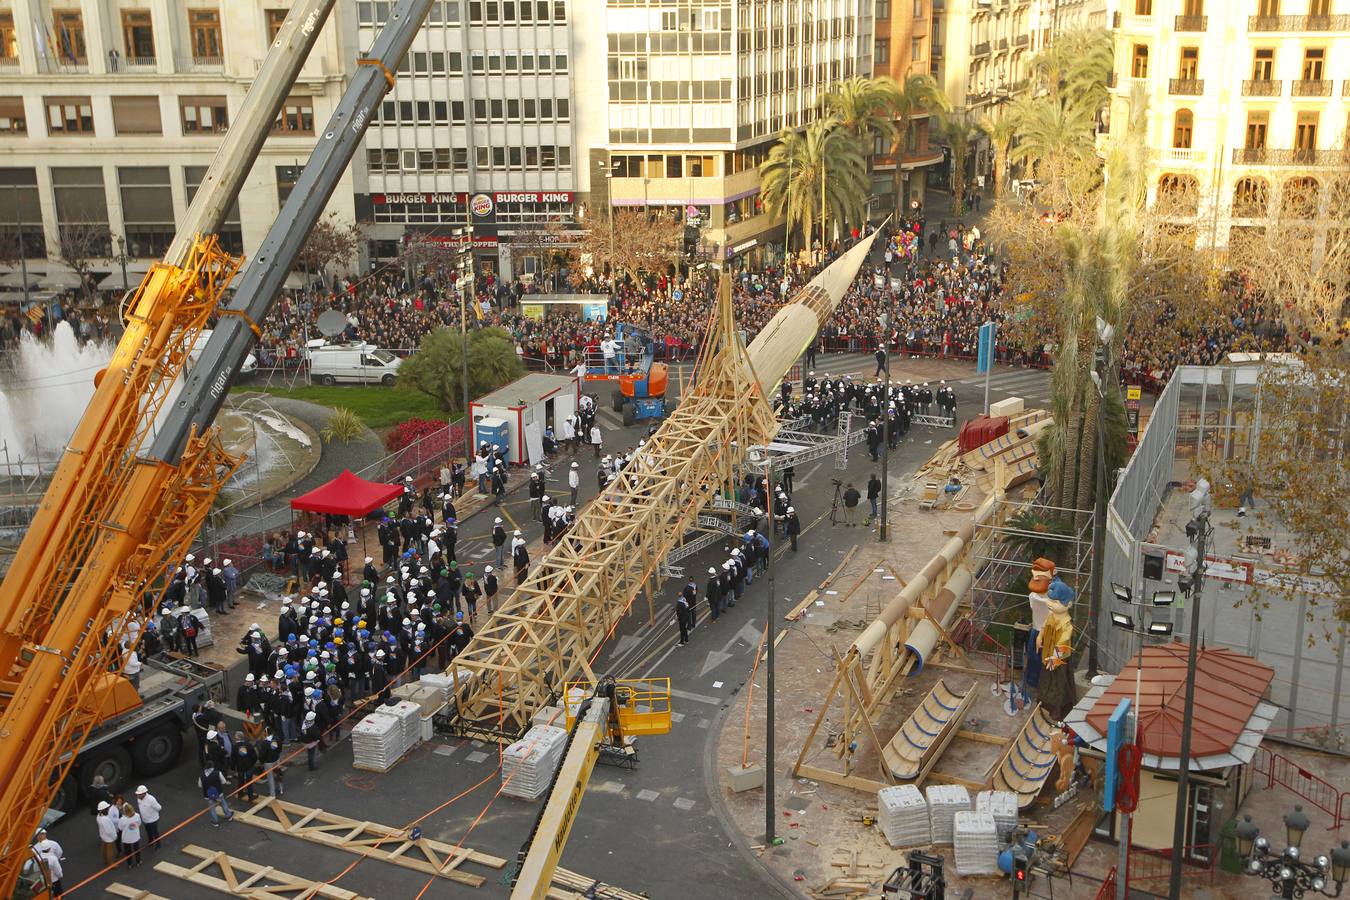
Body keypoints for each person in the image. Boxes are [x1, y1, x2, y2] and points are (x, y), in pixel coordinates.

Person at [135, 786, 162, 852]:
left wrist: (152, 813)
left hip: (152, 820)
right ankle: (151, 841)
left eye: (139, 794)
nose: (137, 795)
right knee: (148, 831)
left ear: (144, 793)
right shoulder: (138, 799)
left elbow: (159, 808)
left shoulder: (151, 799)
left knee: (155, 832)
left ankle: (158, 844)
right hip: (145, 819)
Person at [118, 802, 143, 869]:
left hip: (126, 838)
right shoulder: (137, 815)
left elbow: (120, 828)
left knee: (128, 851)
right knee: (136, 849)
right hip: (135, 836)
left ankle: (129, 864)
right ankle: (138, 861)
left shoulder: (122, 820)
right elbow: (139, 823)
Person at [95, 801, 119, 865]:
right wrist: (114, 836)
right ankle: (111, 863)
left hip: (103, 835)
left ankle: (105, 860)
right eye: (107, 808)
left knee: (104, 849)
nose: (108, 809)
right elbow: (109, 831)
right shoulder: (105, 819)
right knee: (109, 851)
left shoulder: (98, 816)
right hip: (109, 838)